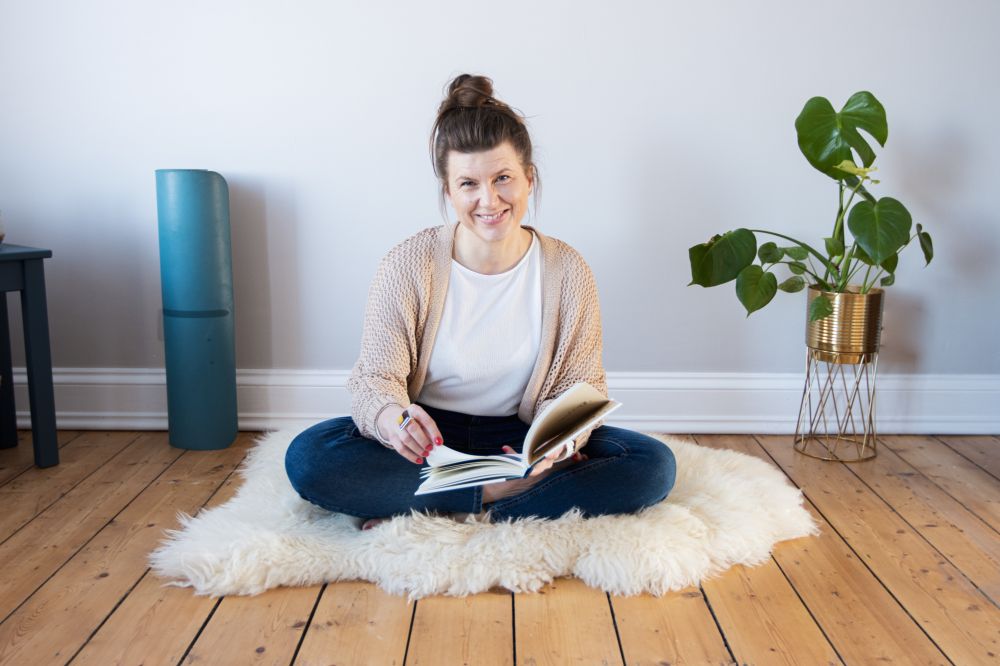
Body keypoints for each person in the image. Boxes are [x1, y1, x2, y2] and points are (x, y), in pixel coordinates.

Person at [285, 74, 676, 529]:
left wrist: (560, 444)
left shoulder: (567, 271)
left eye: (503, 178)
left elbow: (580, 385)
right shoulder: (407, 264)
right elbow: (375, 377)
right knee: (311, 457)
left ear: (529, 179)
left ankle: (450, 501)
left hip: (521, 438)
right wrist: (395, 421)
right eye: (468, 183)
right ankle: (496, 496)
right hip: (431, 440)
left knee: (650, 464)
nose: (488, 200)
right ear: (448, 191)